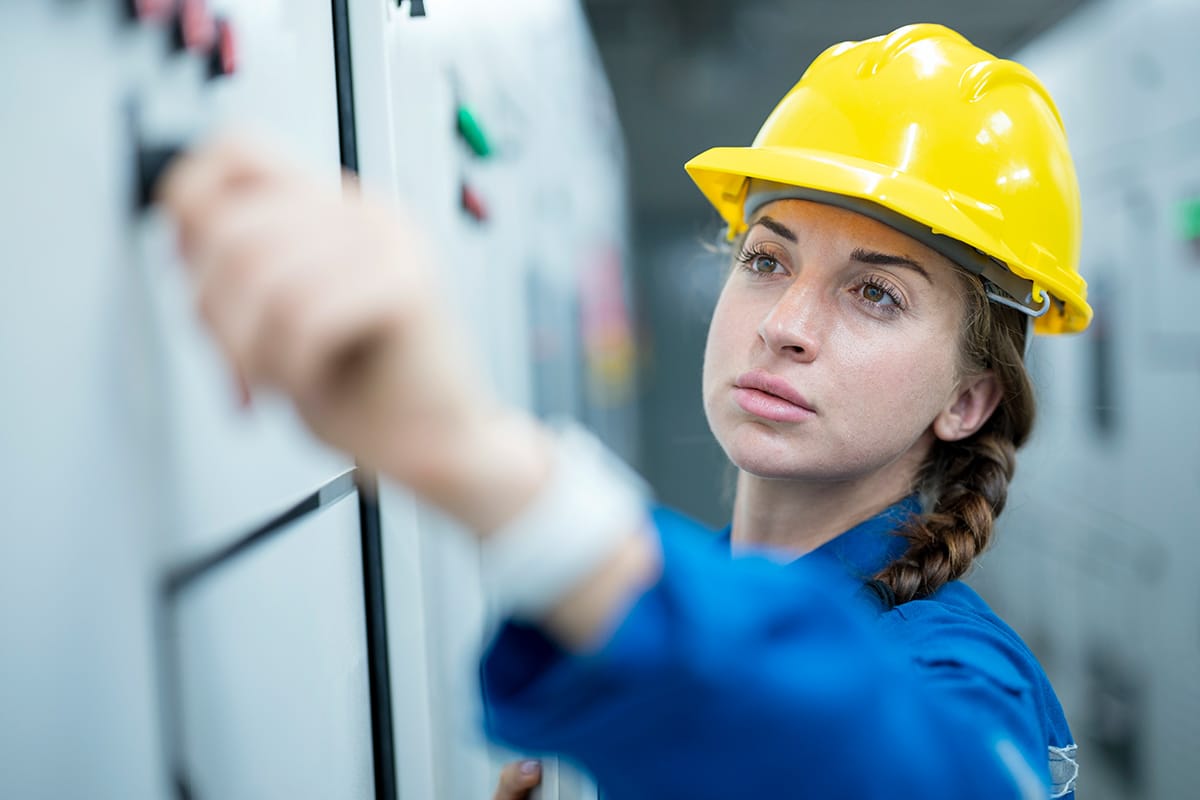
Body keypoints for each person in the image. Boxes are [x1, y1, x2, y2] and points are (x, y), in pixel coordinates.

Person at [161, 23, 1086, 800]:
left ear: (969, 400)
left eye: (875, 293)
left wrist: (476, 458)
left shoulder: (961, 671)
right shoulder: (709, 594)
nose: (787, 328)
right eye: (767, 260)